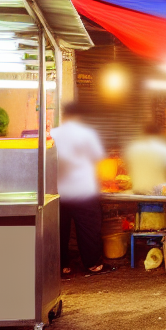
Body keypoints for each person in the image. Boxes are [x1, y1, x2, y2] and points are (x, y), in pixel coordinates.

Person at [53, 101, 109, 276]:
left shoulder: (54, 134)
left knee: (59, 229)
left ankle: (62, 266)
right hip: (83, 189)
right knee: (88, 228)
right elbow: (97, 159)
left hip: (59, 189)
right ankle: (92, 264)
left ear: (64, 116)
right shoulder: (87, 134)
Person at [125, 123, 166, 195]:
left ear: (144, 133)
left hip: (138, 191)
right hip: (157, 193)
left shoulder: (134, 148)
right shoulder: (163, 148)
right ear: (158, 134)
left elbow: (128, 167)